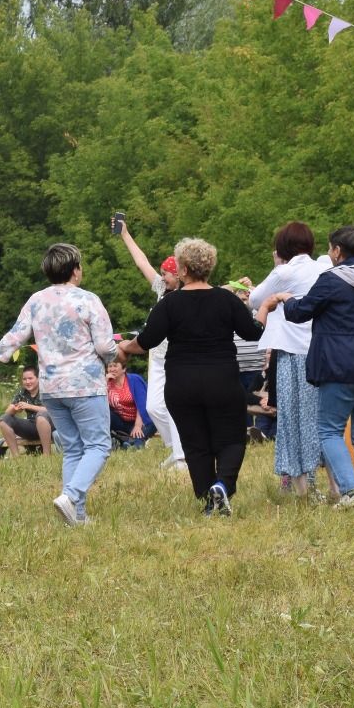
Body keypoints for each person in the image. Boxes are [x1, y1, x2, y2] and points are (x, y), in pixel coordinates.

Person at [0, 243, 119, 525]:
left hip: (51, 389)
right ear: (76, 270)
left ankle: (77, 515)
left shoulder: (36, 300)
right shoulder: (88, 300)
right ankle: (71, 496)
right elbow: (105, 345)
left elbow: (14, 337)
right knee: (98, 445)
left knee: (73, 448)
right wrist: (113, 353)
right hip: (85, 385)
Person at [260, 226, 354, 507]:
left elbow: (301, 313)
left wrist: (287, 299)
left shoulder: (332, 280)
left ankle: (349, 492)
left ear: (337, 251)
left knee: (329, 431)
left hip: (340, 367)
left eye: (329, 249)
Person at [116, 239, 261, 516]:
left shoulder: (170, 304)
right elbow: (252, 333)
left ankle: (209, 499)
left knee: (195, 443)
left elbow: (146, 341)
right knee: (231, 439)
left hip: (182, 383)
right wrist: (264, 311)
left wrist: (124, 348)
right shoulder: (226, 299)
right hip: (222, 380)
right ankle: (223, 485)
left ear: (182, 270)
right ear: (209, 267)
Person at [246, 221, 328, 495]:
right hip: (321, 350)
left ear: (283, 247)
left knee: (293, 418)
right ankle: (319, 478)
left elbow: (256, 300)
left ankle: (300, 482)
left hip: (292, 352)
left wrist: (276, 265)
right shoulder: (323, 267)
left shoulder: (285, 270)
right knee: (320, 418)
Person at [117, 220, 186, 469]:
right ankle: (176, 449)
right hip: (156, 358)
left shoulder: (186, 294)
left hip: (176, 359)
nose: (163, 276)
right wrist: (125, 234)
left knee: (174, 406)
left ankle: (182, 457)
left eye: (166, 273)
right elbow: (141, 262)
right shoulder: (161, 290)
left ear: (178, 274)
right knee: (154, 407)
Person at [0, 365, 53, 456]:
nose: (27, 382)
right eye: (24, 379)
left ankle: (46, 455)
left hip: (50, 426)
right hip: (31, 426)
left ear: (38, 378)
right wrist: (14, 409)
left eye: (30, 378)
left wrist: (29, 406)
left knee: (41, 416)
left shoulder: (46, 390)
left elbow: (51, 410)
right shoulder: (22, 392)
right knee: (4, 419)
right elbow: (7, 412)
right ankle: (16, 456)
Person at [104, 360, 154, 448]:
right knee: (104, 413)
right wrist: (105, 383)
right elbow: (101, 404)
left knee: (139, 435)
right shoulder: (106, 383)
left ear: (124, 369)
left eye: (115, 366)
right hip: (122, 421)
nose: (112, 369)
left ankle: (131, 444)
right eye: (110, 366)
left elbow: (142, 405)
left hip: (143, 421)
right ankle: (122, 441)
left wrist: (138, 426)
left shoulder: (134, 379)